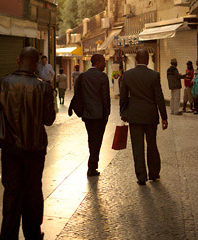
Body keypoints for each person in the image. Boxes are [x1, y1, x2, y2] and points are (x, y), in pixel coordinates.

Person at [0, 47, 56, 240]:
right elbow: (49, 120)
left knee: (11, 191)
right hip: (35, 147)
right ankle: (32, 232)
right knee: (32, 189)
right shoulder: (44, 88)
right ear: (37, 63)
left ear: (18, 60)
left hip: (10, 148)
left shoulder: (2, 82)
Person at [120, 49, 168, 185]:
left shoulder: (128, 75)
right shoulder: (154, 75)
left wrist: (123, 113)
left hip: (134, 116)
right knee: (152, 144)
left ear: (136, 60)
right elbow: (159, 97)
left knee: (137, 146)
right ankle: (154, 173)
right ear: (147, 60)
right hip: (151, 116)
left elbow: (123, 97)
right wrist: (164, 117)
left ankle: (141, 177)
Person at [70, 53, 110, 177]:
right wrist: (107, 112)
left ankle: (92, 165)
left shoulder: (83, 76)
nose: (104, 64)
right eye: (103, 62)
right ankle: (92, 166)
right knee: (97, 140)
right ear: (97, 62)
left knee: (91, 138)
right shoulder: (102, 77)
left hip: (87, 115)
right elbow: (105, 97)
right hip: (100, 115)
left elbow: (77, 93)